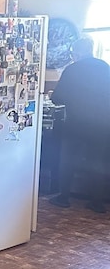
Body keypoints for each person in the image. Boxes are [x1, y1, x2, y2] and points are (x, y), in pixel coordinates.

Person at [49, 36, 110, 213]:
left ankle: (63, 197)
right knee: (97, 161)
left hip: (76, 122)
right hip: (101, 124)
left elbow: (57, 98)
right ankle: (97, 202)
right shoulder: (105, 68)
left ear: (77, 52)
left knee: (67, 159)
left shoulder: (72, 70)